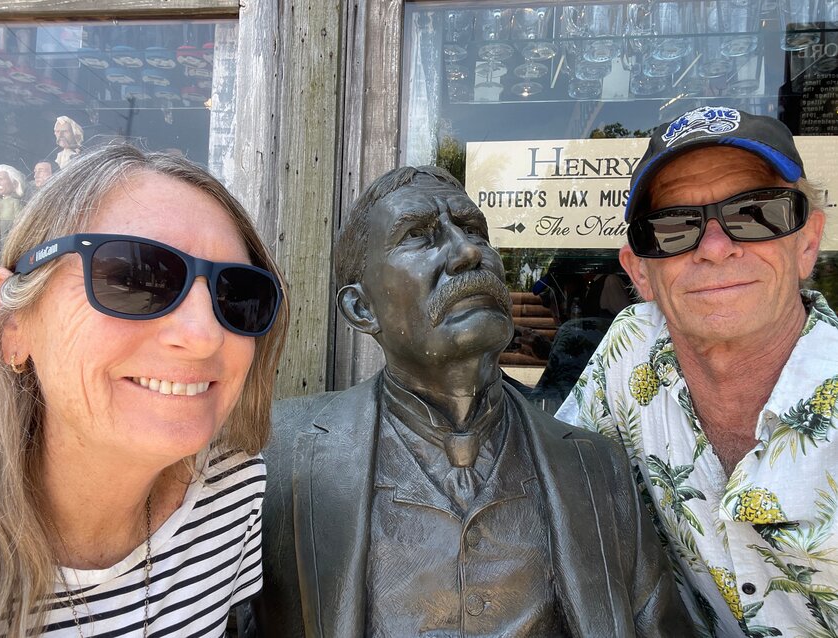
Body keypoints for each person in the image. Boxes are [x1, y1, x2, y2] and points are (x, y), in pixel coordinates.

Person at [244, 165, 692, 637]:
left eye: (475, 230)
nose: (467, 251)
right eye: (419, 236)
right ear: (362, 308)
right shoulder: (279, 456)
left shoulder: (597, 467)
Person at [557, 105, 837, 637]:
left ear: (806, 242)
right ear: (640, 270)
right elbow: (549, 480)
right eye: (673, 227)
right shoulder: (633, 349)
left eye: (755, 213)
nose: (713, 248)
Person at [0, 144, 289, 636]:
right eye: (134, 278)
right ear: (12, 325)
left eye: (237, 295)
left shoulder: (231, 493)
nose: (204, 334)